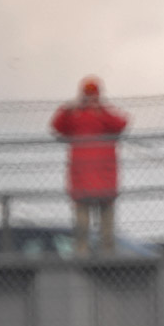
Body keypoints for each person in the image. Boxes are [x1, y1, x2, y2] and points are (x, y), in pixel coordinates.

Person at [51, 77, 128, 256]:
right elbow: (57, 125)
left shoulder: (98, 114)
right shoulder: (77, 115)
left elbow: (121, 124)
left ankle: (93, 253)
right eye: (89, 94)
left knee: (99, 223)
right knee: (86, 223)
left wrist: (96, 109)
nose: (91, 98)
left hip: (95, 179)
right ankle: (89, 253)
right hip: (90, 178)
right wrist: (72, 107)